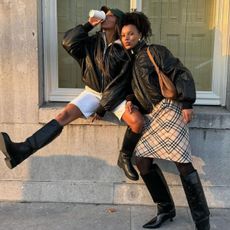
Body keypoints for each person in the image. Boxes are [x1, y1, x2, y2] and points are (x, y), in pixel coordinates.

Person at [0, 7, 144, 181]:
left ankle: (125, 156)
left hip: (115, 95)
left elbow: (125, 81)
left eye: (110, 15)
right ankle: (21, 150)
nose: (105, 16)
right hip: (92, 92)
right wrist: (87, 25)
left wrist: (110, 105)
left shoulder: (126, 49)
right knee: (63, 115)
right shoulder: (91, 43)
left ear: (118, 22)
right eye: (104, 14)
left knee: (137, 122)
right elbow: (68, 42)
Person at [120, 12, 210, 230]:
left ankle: (202, 221)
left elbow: (180, 72)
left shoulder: (154, 51)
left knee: (182, 163)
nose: (127, 38)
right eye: (123, 35)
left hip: (168, 110)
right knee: (142, 161)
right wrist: (132, 100)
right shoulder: (131, 61)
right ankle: (166, 209)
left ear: (140, 34)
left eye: (131, 33)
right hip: (152, 116)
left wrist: (187, 102)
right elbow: (141, 88)